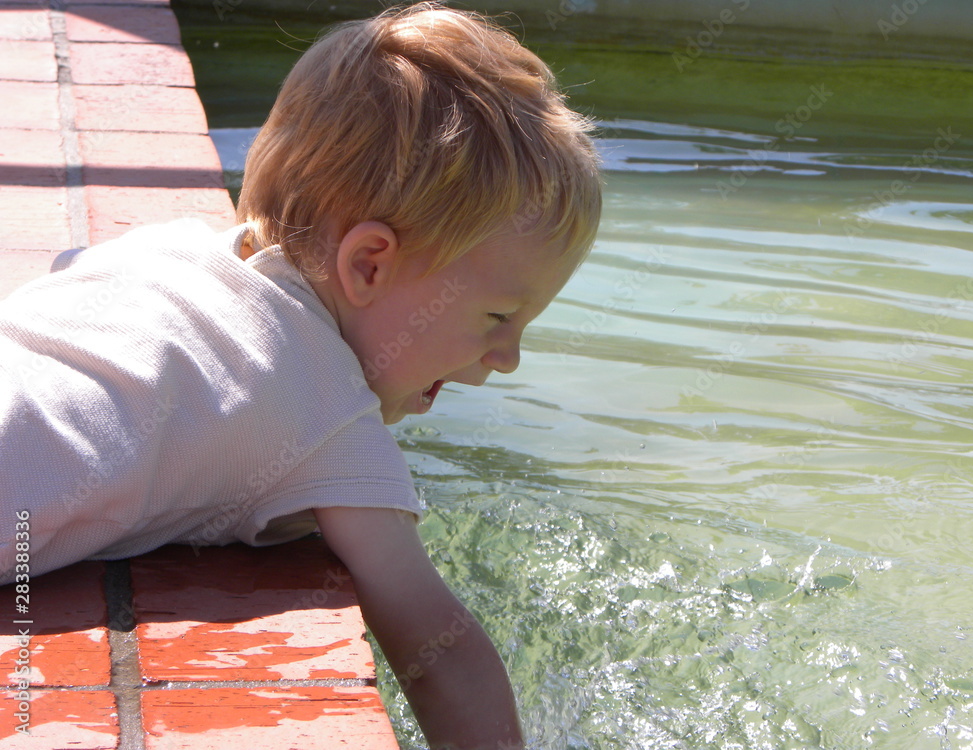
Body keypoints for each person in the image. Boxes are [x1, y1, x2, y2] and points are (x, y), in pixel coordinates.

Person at [0, 3, 602, 747]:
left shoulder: (173, 250)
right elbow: (441, 654)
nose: (508, 355)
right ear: (368, 264)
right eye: (498, 317)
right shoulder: (326, 414)